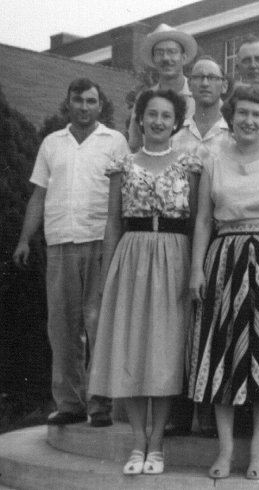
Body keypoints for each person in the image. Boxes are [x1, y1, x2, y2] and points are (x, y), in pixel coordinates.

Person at [187, 84, 259, 481]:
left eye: (257, 115)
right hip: (225, 259)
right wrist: (196, 268)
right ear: (231, 116)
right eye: (242, 114)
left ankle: (258, 450)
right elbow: (203, 219)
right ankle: (225, 449)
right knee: (222, 353)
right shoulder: (213, 160)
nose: (249, 121)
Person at [88, 89, 201, 475]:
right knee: (133, 348)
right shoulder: (123, 164)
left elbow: (199, 220)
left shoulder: (191, 164)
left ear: (177, 122)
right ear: (139, 118)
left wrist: (195, 267)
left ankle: (157, 442)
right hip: (132, 256)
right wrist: (106, 275)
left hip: (175, 256)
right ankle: (138, 440)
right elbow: (112, 222)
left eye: (165, 116)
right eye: (150, 114)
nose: (157, 121)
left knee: (165, 349)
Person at [13, 78, 128, 428]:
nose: (83, 107)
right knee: (62, 328)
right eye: (77, 101)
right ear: (68, 104)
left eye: (90, 101)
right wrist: (24, 238)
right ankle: (69, 403)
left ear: (100, 104)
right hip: (60, 242)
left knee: (98, 323)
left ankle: (100, 403)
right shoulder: (52, 143)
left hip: (99, 241)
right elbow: (38, 195)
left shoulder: (115, 141)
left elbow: (124, 194)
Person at [166, 55, 230, 437]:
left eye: (213, 77)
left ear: (224, 85)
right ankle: (178, 409)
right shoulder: (176, 135)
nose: (205, 82)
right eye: (199, 77)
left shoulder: (233, 132)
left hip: (221, 238)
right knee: (181, 324)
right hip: (181, 236)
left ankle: (208, 411)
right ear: (190, 84)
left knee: (214, 324)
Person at [128, 24, 198, 151]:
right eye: (160, 53)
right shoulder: (144, 100)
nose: (166, 58)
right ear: (154, 59)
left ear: (183, 57)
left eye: (172, 52)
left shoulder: (199, 96)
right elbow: (134, 145)